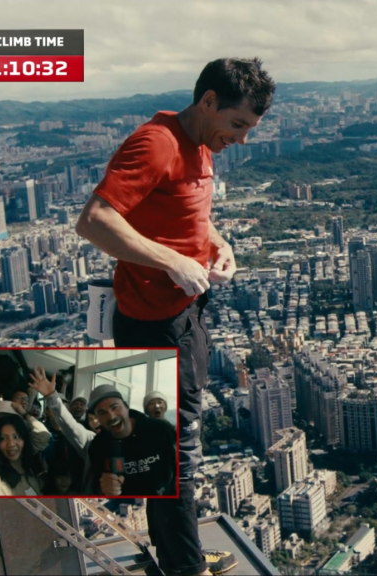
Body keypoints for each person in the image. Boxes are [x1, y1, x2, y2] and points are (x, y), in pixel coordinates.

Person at [76, 57, 274, 576]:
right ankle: (186, 569)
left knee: (173, 447)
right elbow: (94, 221)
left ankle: (177, 555)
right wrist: (173, 261)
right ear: (208, 101)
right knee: (179, 452)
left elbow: (186, 219)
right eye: (238, 124)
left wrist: (217, 244)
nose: (244, 140)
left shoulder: (202, 145)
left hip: (186, 315)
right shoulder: (156, 142)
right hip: (153, 323)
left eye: (250, 129)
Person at [85, 384, 177, 497]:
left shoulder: (161, 429)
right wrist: (105, 488)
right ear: (97, 418)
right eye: (102, 412)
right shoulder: (98, 446)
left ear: (126, 407)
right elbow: (96, 485)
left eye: (115, 407)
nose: (111, 416)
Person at [0, 413, 44, 496]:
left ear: (24, 440)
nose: (11, 444)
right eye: (3, 438)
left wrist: (25, 414)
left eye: (16, 436)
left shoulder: (31, 475)